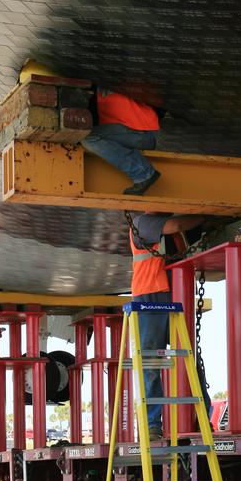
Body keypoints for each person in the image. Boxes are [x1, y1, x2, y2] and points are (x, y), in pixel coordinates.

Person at [129, 212, 205, 439]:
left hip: (171, 293)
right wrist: (204, 217)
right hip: (149, 296)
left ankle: (200, 417)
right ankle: (153, 424)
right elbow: (177, 224)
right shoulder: (143, 221)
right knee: (151, 363)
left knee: (189, 360)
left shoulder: (161, 225)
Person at [82, 87, 163, 195]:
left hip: (143, 132)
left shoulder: (120, 76)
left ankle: (143, 173)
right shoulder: (97, 87)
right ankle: (142, 172)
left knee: (89, 137)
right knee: (88, 135)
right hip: (127, 134)